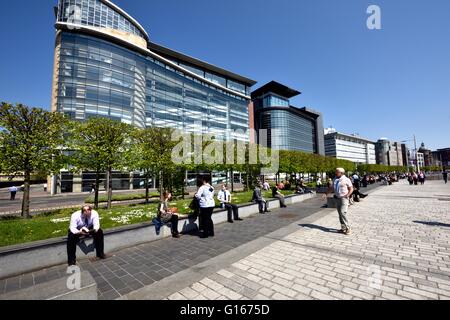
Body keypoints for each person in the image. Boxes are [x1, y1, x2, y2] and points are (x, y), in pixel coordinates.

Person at [323, 168, 354, 235]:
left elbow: (351, 188)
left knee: (343, 212)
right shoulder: (335, 179)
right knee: (340, 214)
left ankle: (348, 228)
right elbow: (332, 188)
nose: (335, 173)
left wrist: (347, 195)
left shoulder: (346, 179)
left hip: (344, 198)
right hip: (336, 198)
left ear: (341, 173)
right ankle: (343, 228)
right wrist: (326, 193)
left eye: (337, 172)